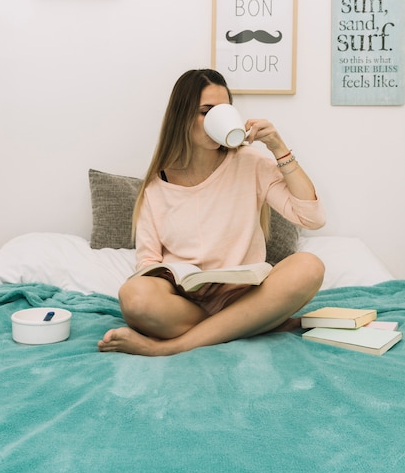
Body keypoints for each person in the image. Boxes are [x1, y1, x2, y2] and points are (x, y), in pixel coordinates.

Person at [98, 69, 326, 356]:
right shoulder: (156, 187)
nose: (215, 119)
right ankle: (255, 323)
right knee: (134, 295)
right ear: (182, 117)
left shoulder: (250, 162)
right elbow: (148, 262)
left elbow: (313, 218)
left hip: (246, 295)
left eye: (223, 110)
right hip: (187, 303)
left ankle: (169, 347)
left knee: (309, 266)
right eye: (206, 111)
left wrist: (279, 149)